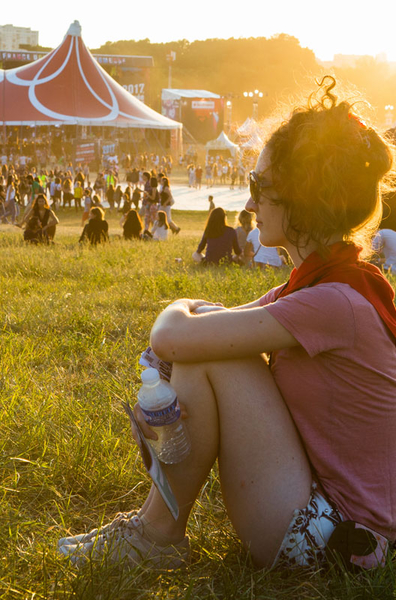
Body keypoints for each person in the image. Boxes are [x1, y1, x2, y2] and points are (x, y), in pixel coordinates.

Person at [58, 77, 396, 571]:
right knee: (210, 344)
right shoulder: (330, 283)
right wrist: (193, 324)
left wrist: (181, 302)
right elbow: (215, 323)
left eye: (260, 186)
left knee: (210, 354)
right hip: (339, 525)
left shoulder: (332, 301)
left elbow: (173, 336)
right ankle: (154, 530)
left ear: (302, 200)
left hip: (342, 544)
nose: (250, 200)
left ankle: (156, 536)